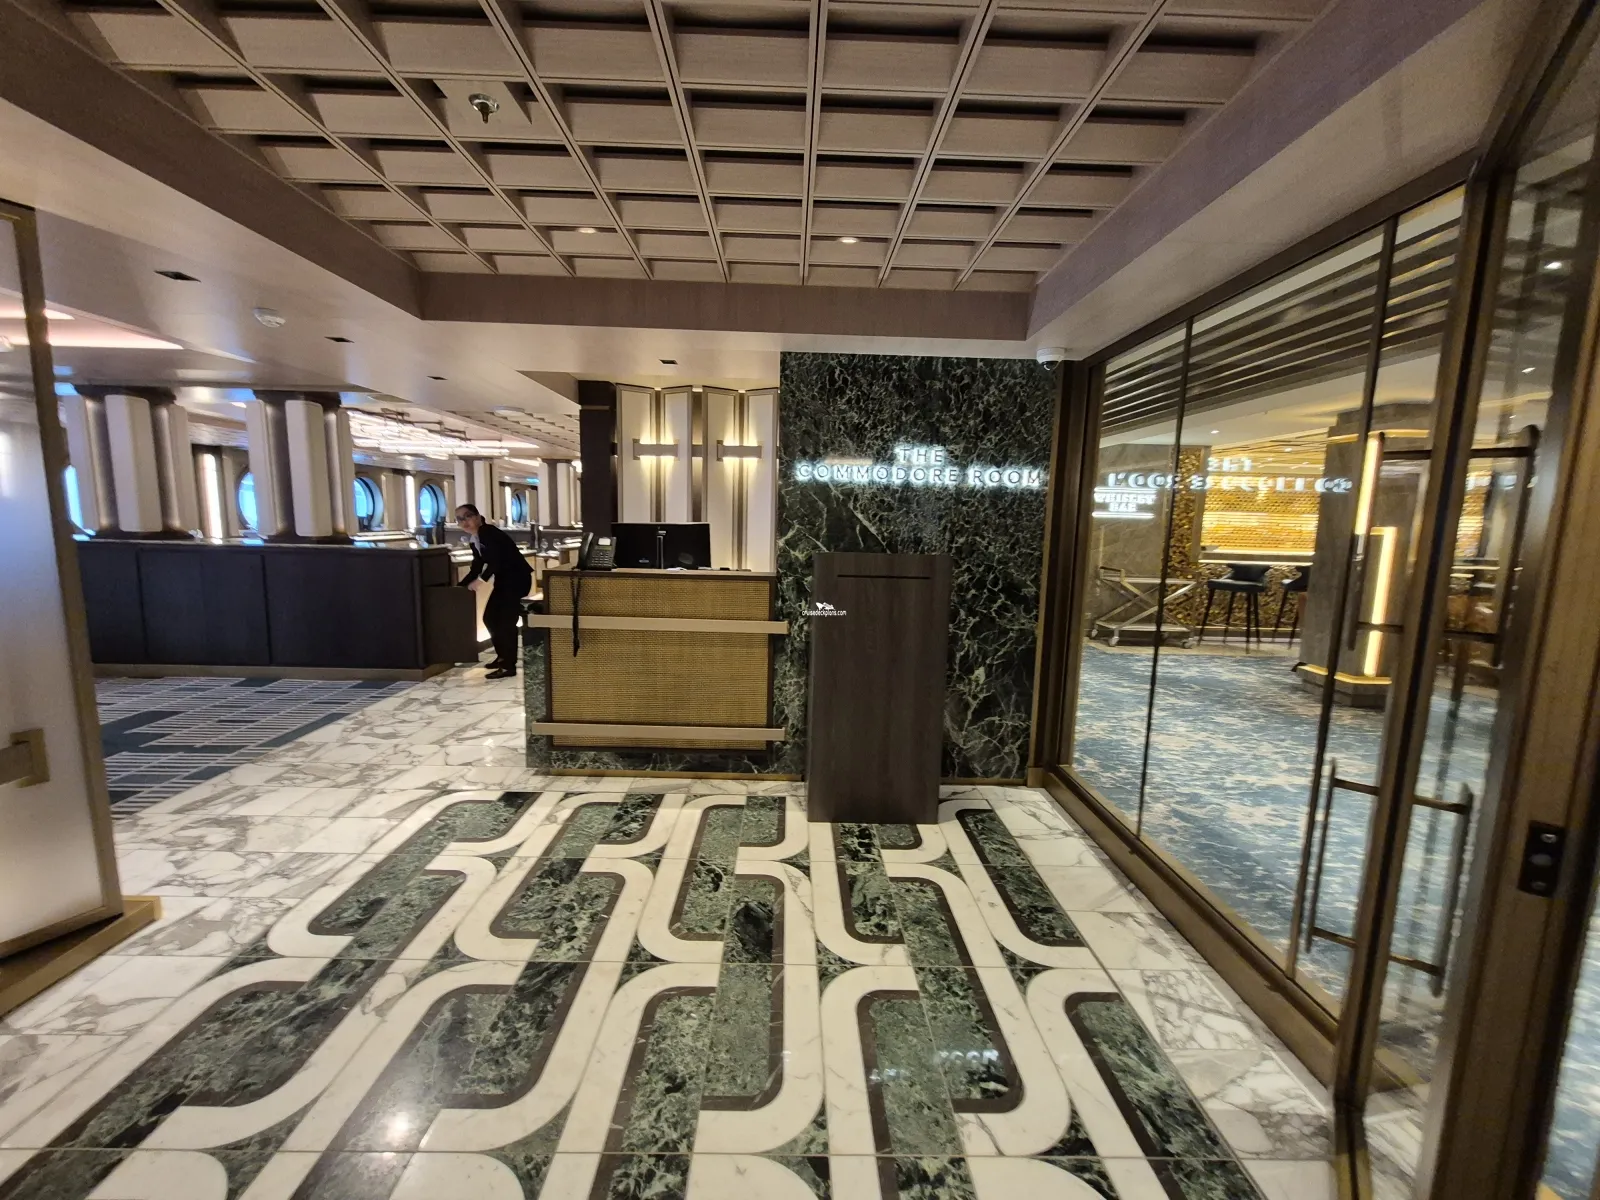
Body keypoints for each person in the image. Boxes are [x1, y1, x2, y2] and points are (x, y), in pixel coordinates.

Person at [456, 504, 534, 679]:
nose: (464, 521)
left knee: (505, 622)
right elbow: (476, 566)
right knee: (490, 618)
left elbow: (497, 560)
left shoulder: (488, 532)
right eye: (460, 519)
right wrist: (460, 586)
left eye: (468, 516)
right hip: (505, 581)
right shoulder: (475, 539)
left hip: (516, 579)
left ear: (478, 517)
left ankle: (508, 665)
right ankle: (502, 657)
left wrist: (481, 580)